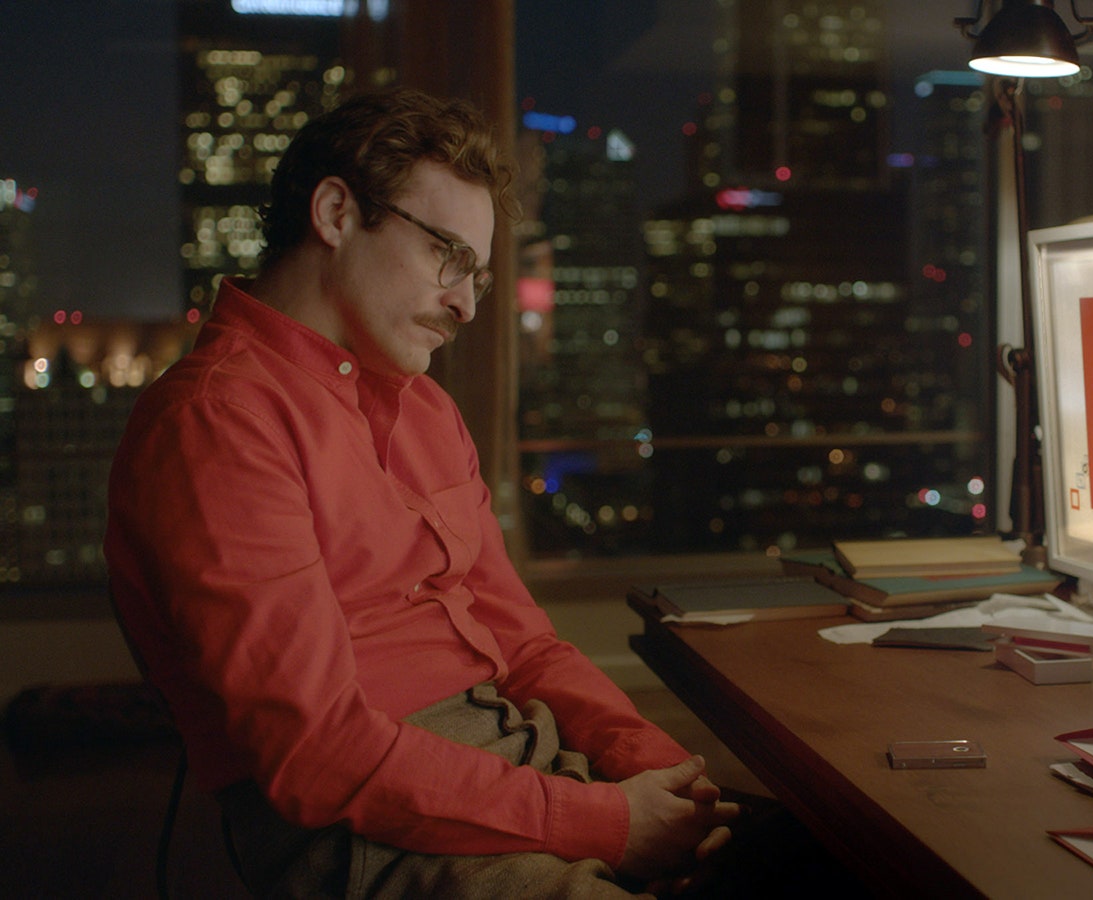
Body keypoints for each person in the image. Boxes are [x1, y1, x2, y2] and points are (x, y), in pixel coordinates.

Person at [104, 86, 741, 898]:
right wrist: (608, 823)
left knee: (818, 861)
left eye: (477, 274)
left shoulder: (427, 410)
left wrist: (663, 776)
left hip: (519, 761)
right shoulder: (218, 421)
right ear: (336, 214)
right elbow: (316, 754)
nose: (467, 304)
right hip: (364, 832)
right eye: (449, 256)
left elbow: (528, 647)